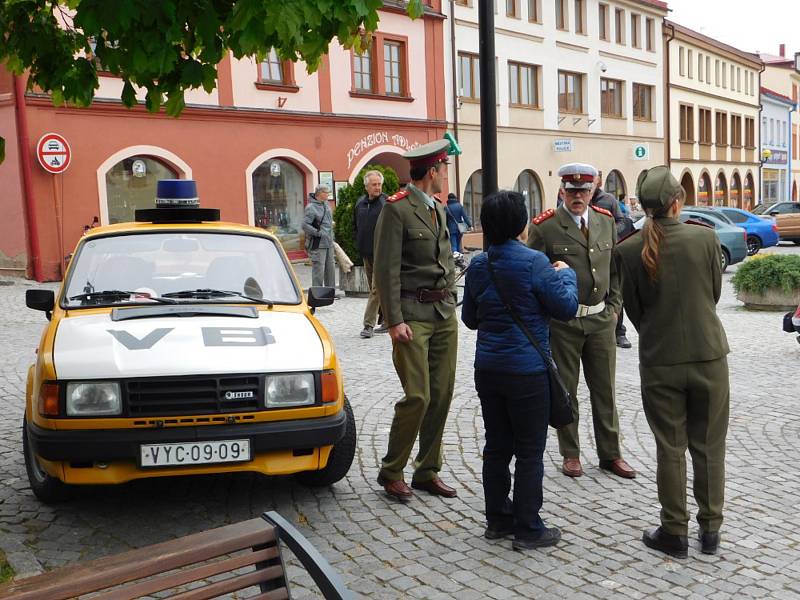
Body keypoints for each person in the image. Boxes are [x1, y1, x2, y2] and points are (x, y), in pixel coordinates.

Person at [614, 166, 730, 559]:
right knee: (709, 446)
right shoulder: (705, 238)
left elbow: (633, 310)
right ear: (676, 201)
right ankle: (711, 531)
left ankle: (674, 532)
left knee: (671, 448)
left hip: (660, 358)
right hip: (708, 355)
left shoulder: (627, 249)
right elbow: (712, 294)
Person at [462, 190, 578, 551]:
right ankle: (529, 527)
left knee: (497, 446)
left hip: (489, 369)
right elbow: (567, 307)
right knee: (529, 450)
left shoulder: (480, 264)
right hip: (527, 371)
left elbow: (469, 318)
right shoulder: (535, 263)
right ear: (520, 224)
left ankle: (498, 519)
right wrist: (568, 274)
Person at [527, 162, 636, 480]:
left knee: (605, 391)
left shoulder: (605, 222)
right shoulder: (545, 227)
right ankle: (570, 453)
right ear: (562, 191)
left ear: (593, 191)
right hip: (564, 324)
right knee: (567, 391)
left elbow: (615, 270)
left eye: (584, 190)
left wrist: (615, 305)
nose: (578, 196)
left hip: (601, 320)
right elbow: (534, 276)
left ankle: (610, 454)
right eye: (572, 191)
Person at [373, 139, 459, 501]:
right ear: (434, 171)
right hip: (413, 317)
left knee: (441, 396)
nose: (446, 176)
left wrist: (452, 299)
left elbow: (444, 261)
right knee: (418, 397)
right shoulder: (397, 210)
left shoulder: (437, 209)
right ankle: (392, 470)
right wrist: (394, 321)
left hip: (442, 315)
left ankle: (427, 470)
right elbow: (385, 268)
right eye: (444, 170)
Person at [592, 172, 632, 348]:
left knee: (614, 289)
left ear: (597, 182)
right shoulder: (576, 200)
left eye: (592, 181)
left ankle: (619, 331)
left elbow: (623, 221)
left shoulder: (608, 200)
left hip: (607, 251)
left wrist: (610, 233)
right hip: (587, 253)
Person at [354, 170, 389, 338]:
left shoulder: (387, 203)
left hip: (383, 252)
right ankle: (388, 320)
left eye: (379, 184)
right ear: (366, 186)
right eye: (374, 185)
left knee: (376, 289)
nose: (377, 187)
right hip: (366, 252)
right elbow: (356, 226)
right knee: (376, 289)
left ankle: (368, 325)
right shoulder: (360, 203)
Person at [302, 184, 335, 287]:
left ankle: (330, 292)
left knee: (331, 269)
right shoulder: (311, 207)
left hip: (329, 242)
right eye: (326, 193)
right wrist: (318, 233)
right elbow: (305, 225)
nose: (328, 195)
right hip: (318, 243)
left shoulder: (326, 205)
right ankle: (317, 293)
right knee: (319, 270)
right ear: (320, 193)